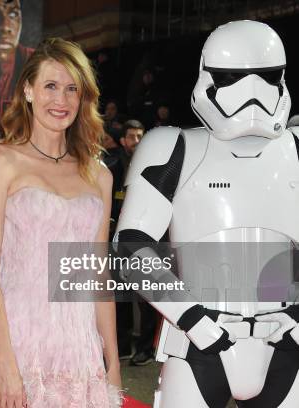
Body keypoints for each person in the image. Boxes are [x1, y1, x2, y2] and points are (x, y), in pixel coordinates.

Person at [115, 21, 299, 407]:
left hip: (287, 336)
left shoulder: (296, 147)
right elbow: (131, 246)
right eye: (234, 77)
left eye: (265, 76)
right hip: (198, 338)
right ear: (208, 77)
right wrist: (194, 321)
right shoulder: (172, 146)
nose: (252, 92)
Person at [0, 38, 122, 407]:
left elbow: (97, 276)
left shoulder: (99, 176)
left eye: (72, 89)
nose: (61, 100)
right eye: (51, 86)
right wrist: (6, 365)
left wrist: (112, 364)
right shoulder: (0, 162)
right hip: (12, 342)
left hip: (77, 352)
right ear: (28, 90)